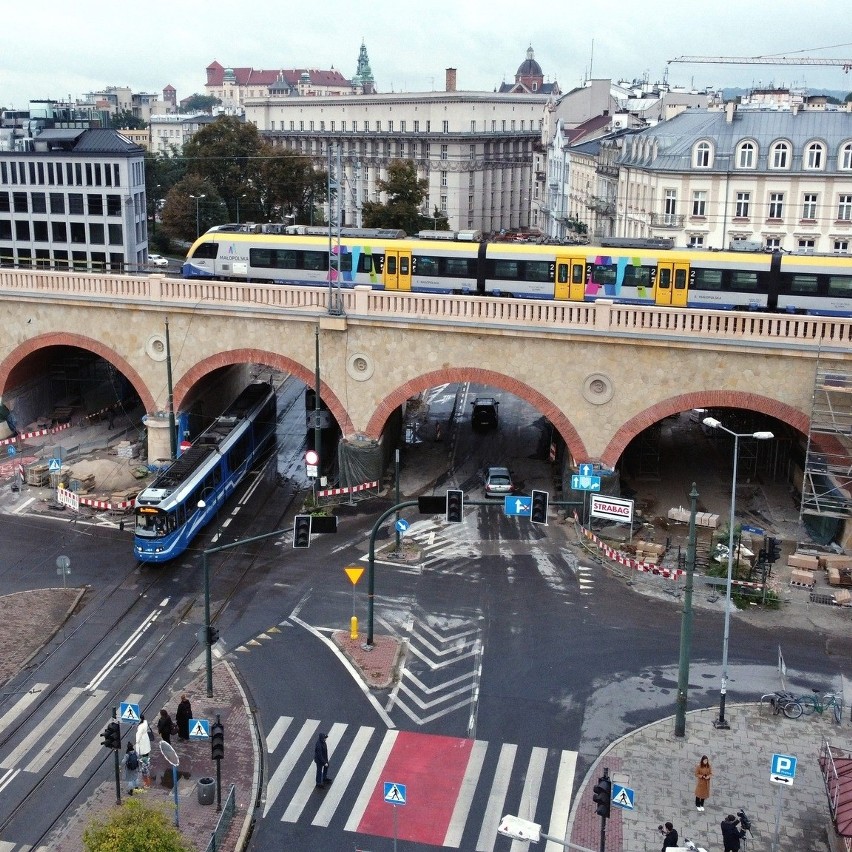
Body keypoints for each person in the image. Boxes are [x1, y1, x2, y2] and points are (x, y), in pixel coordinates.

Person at [135, 714, 153, 786]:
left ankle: (146, 774)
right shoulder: (145, 723)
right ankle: (146, 764)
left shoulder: (140, 727)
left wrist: (136, 743)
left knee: (143, 755)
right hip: (146, 740)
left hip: (142, 742)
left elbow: (138, 737)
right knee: (146, 754)